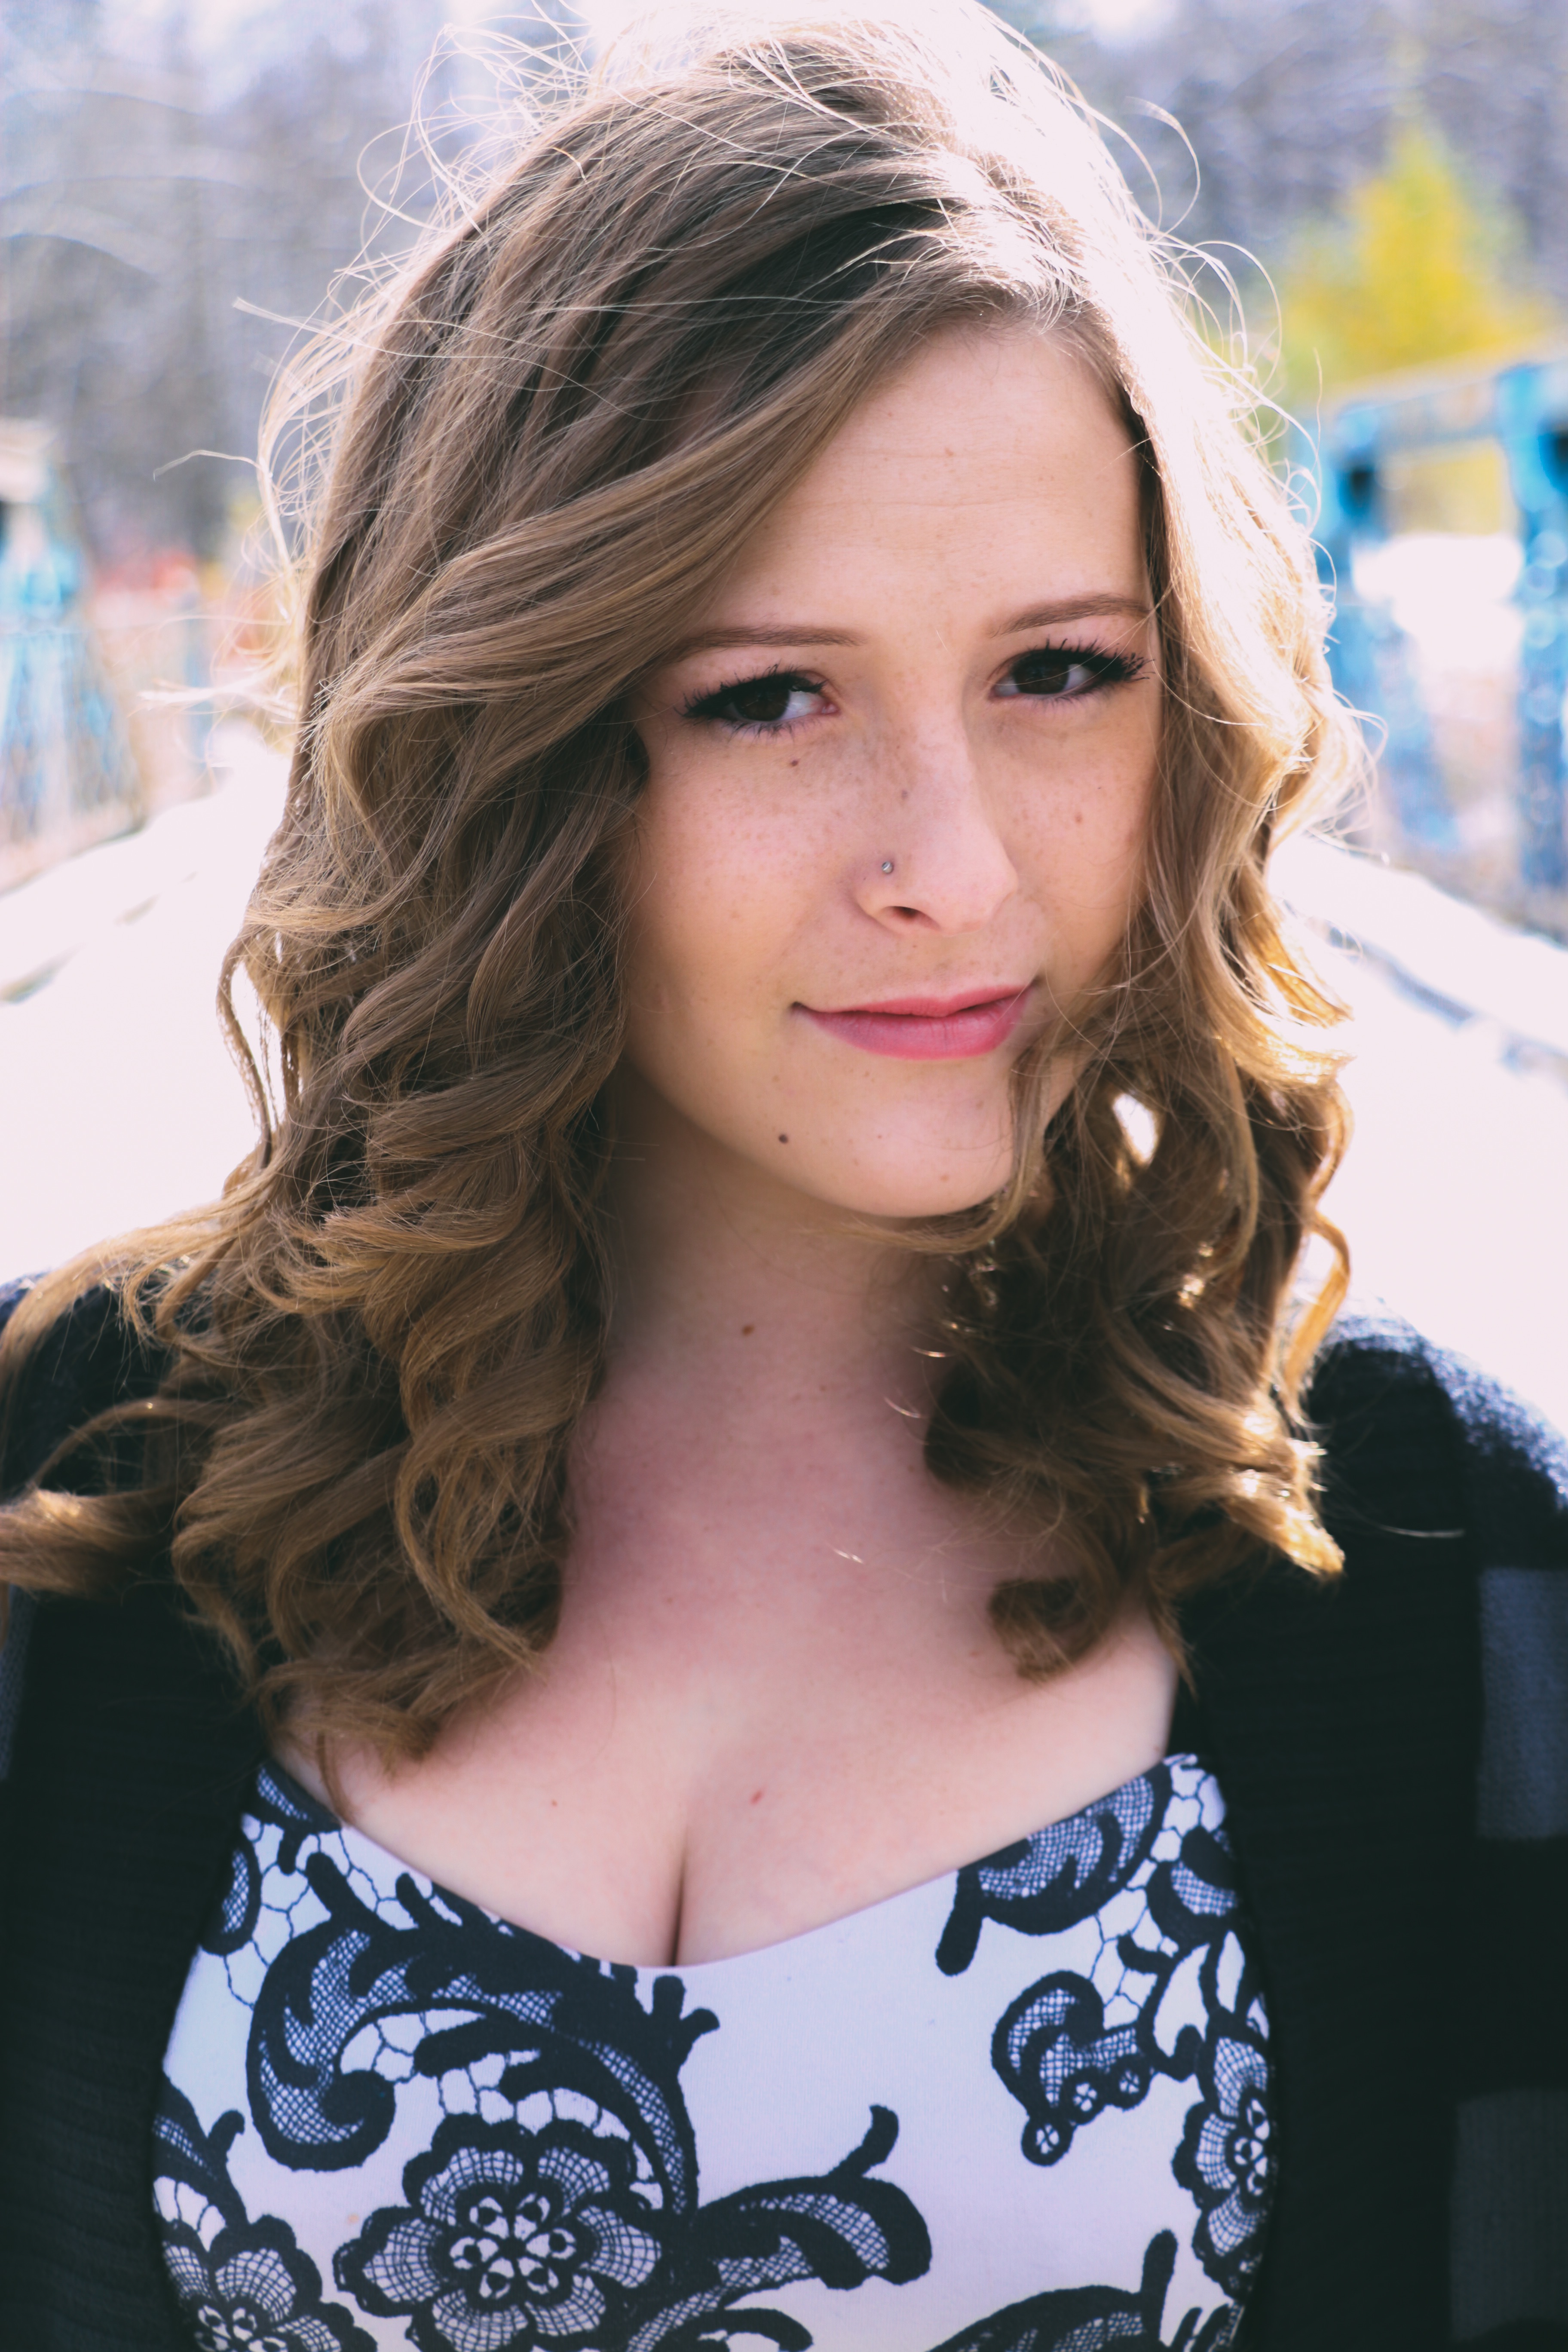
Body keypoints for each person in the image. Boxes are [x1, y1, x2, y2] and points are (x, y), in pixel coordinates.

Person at [0, 9, 1563, 2350]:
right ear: (516, 752)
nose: (956, 864)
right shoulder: (72, 1477)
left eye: (1060, 672)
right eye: (771, 697)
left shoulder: (1449, 1564)